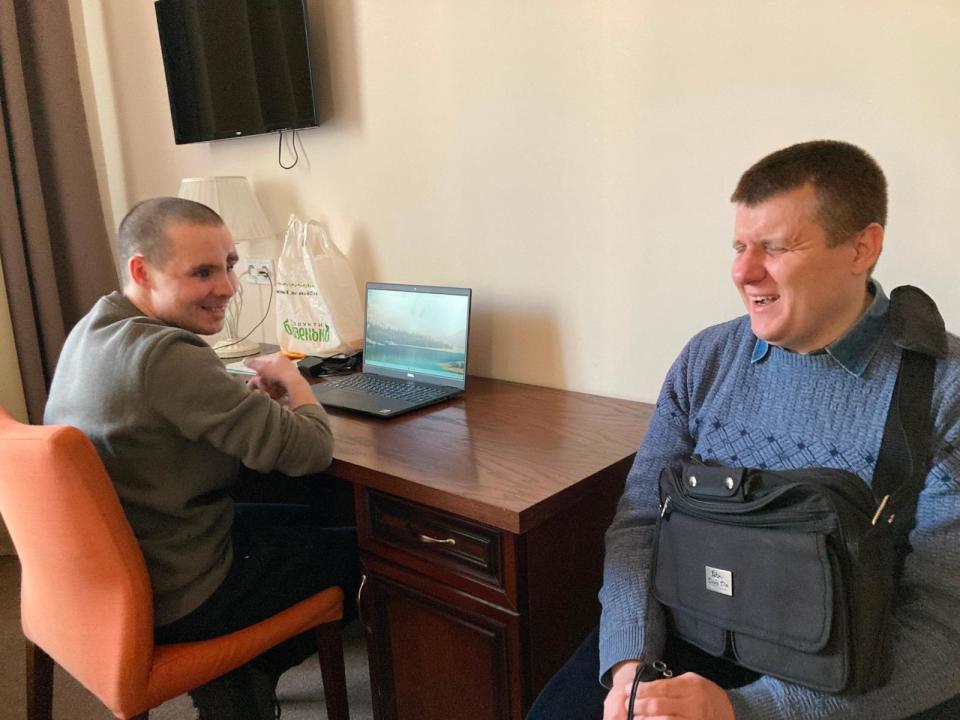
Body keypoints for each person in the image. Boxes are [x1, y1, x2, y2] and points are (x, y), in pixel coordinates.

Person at [527, 140, 960, 720]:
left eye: (776, 247)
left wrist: (747, 710)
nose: (741, 271)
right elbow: (638, 524)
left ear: (862, 247)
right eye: (739, 246)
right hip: (684, 637)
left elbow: (944, 626)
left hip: (841, 677)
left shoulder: (942, 391)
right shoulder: (707, 358)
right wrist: (631, 666)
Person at [44, 197, 361, 719]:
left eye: (230, 265)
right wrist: (293, 380)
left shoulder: (95, 328)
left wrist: (246, 407)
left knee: (301, 517)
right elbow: (312, 450)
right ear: (142, 271)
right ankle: (240, 675)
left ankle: (238, 678)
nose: (229, 287)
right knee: (361, 549)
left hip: (113, 574)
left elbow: (163, 418)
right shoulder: (166, 355)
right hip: (180, 588)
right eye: (203, 272)